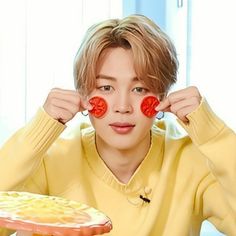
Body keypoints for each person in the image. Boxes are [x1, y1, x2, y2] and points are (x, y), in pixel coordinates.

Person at [0, 14, 235, 236]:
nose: (123, 107)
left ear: (162, 96)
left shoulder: (192, 161)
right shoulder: (51, 160)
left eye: (139, 89)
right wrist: (37, 132)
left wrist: (214, 136)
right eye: (106, 88)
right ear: (83, 93)